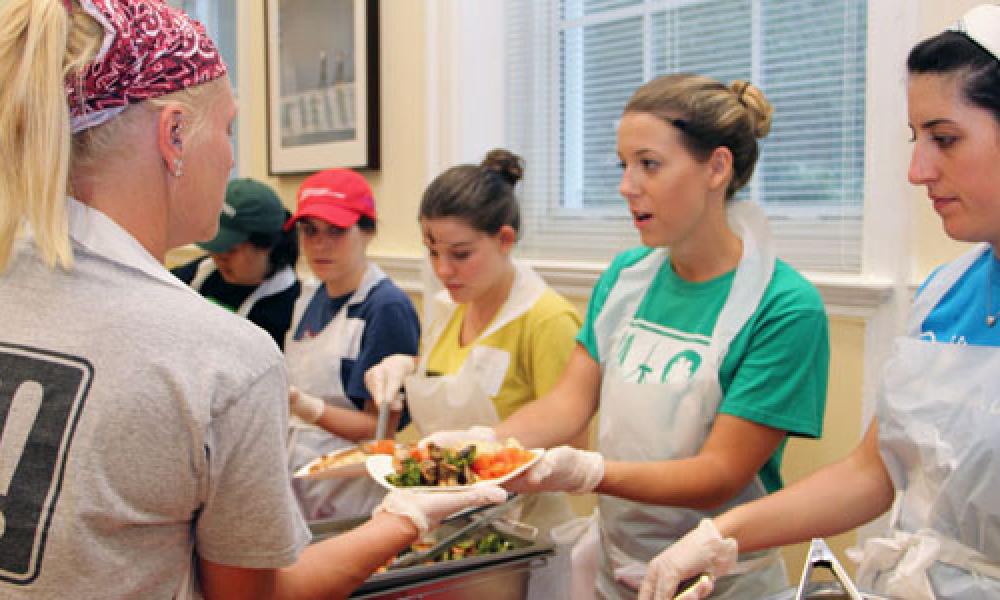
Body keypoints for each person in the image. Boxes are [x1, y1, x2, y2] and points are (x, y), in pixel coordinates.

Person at [0, 1, 503, 598]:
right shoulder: (218, 356)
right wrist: (408, 517)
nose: (233, 156)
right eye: (229, 127)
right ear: (174, 135)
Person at [625, 5, 1000, 600]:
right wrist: (722, 533)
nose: (917, 170)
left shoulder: (781, 302)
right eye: (915, 139)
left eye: (945, 139)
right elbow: (874, 472)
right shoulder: (945, 296)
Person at [425, 75, 831, 599]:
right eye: (624, 165)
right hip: (615, 572)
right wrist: (487, 443)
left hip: (720, 582)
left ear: (717, 167)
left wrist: (588, 471)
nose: (626, 185)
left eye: (649, 164)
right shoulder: (626, 279)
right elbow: (569, 403)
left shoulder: (783, 307)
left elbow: (719, 473)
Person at [365, 149, 584, 598]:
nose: (444, 270)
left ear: (505, 239)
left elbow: (573, 446)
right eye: (433, 253)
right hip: (450, 533)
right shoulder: (448, 310)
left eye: (461, 254)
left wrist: (491, 455)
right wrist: (405, 370)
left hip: (521, 541)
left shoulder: (545, 320)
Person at [284, 168, 421, 522]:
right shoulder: (310, 296)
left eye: (337, 231)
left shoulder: (385, 307)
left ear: (368, 232)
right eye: (309, 230)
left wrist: (303, 405)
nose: (319, 245)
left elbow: (378, 428)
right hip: (301, 482)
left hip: (352, 496)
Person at [172, 177, 299, 350]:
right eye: (214, 246)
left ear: (267, 245)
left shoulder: (290, 310)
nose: (219, 257)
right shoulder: (201, 273)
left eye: (231, 249)